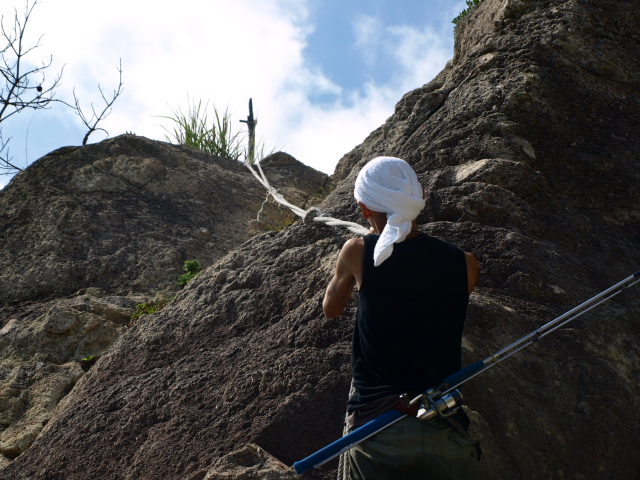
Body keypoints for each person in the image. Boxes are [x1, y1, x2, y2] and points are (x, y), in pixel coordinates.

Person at [323, 156, 480, 480]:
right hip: (444, 428)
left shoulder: (358, 252)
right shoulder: (464, 263)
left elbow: (331, 309)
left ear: (364, 209)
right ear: (417, 197)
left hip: (378, 432)